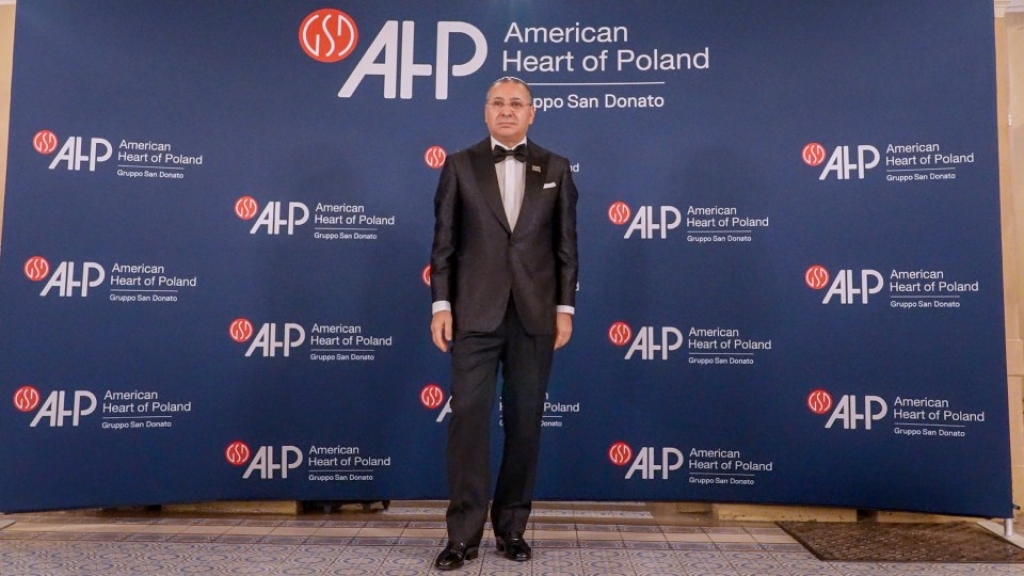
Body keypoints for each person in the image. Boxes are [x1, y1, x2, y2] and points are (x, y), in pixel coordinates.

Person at [429, 76, 579, 570]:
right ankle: (462, 536)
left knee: (525, 423)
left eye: (517, 103)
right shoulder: (459, 165)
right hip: (473, 313)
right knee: (469, 420)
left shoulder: (556, 168)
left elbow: (566, 248)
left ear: (532, 113)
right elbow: (444, 244)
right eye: (498, 102)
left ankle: (512, 528)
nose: (507, 110)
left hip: (535, 315)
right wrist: (441, 305)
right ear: (485, 111)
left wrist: (564, 309)